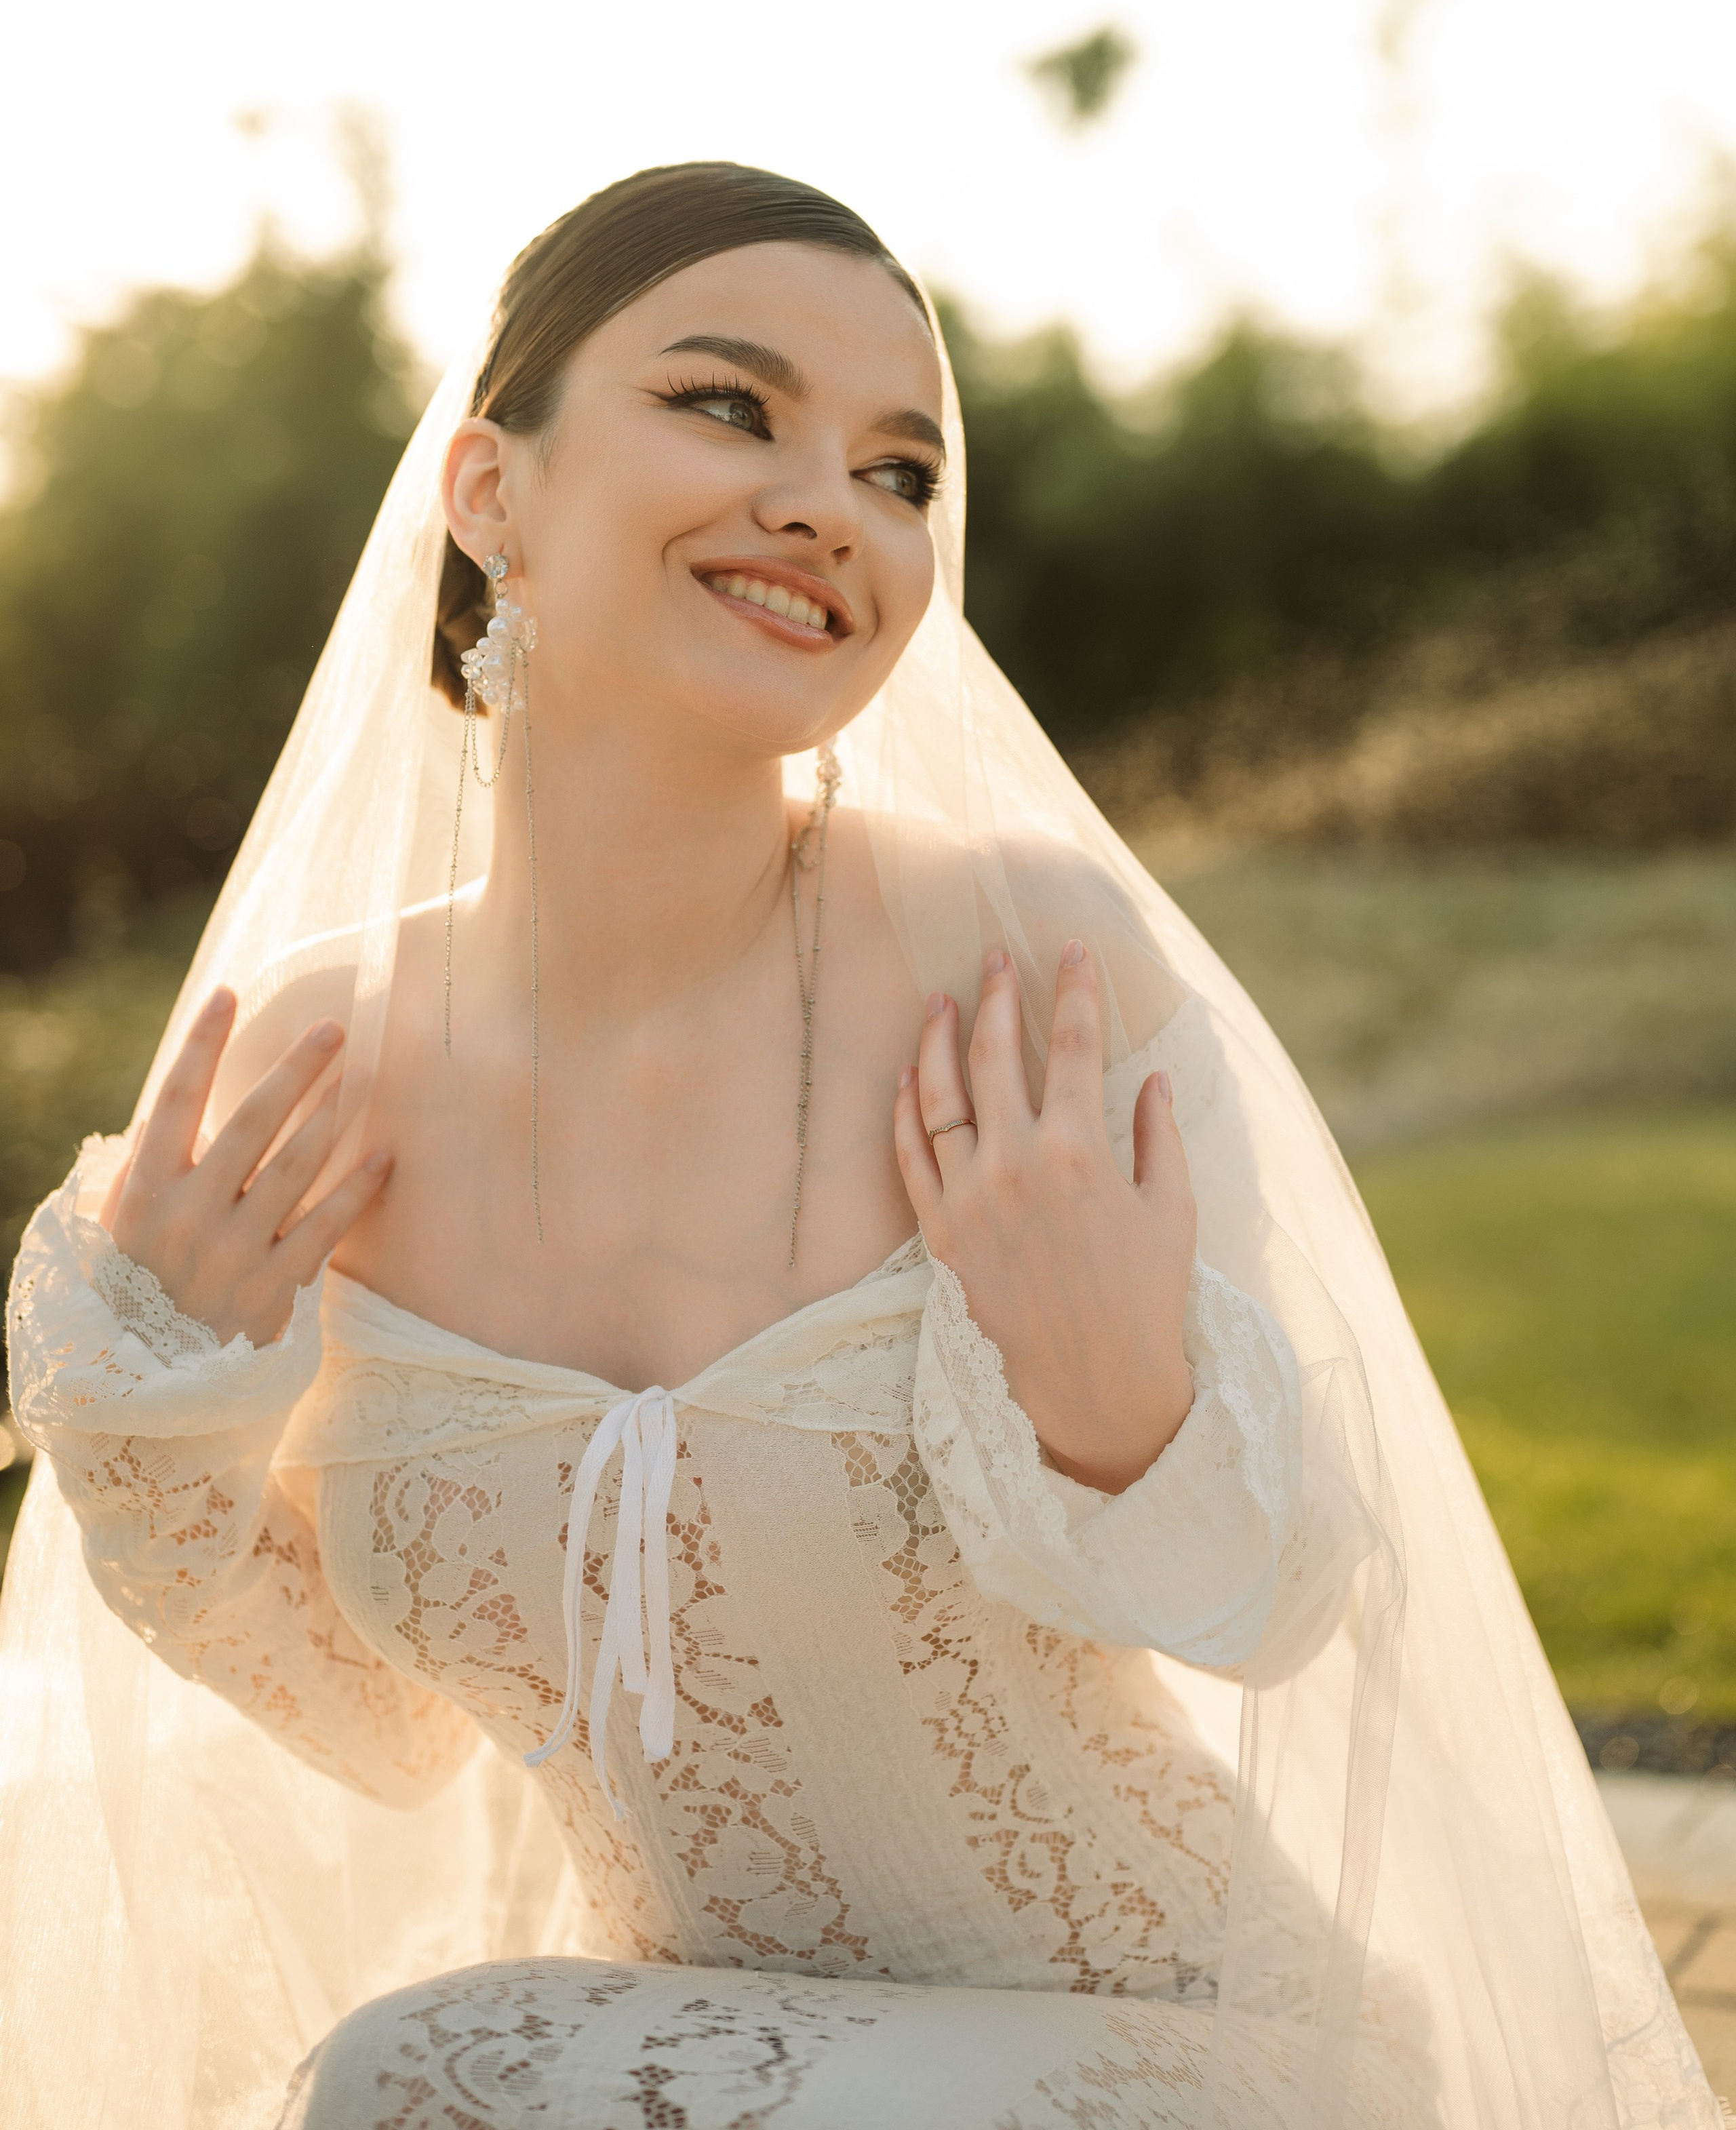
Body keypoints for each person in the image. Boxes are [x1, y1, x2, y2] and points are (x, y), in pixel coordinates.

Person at [1, 165, 1712, 2130]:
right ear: (487, 491)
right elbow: (385, 1731)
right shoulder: (312, 1063)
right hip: (693, 2060)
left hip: (1187, 2045)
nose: (832, 504)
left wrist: (1113, 1397)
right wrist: (169, 1443)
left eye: (900, 471)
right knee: (411, 2076)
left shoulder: (1015, 963)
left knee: (424, 2076)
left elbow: (1276, 1606)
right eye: (730, 405)